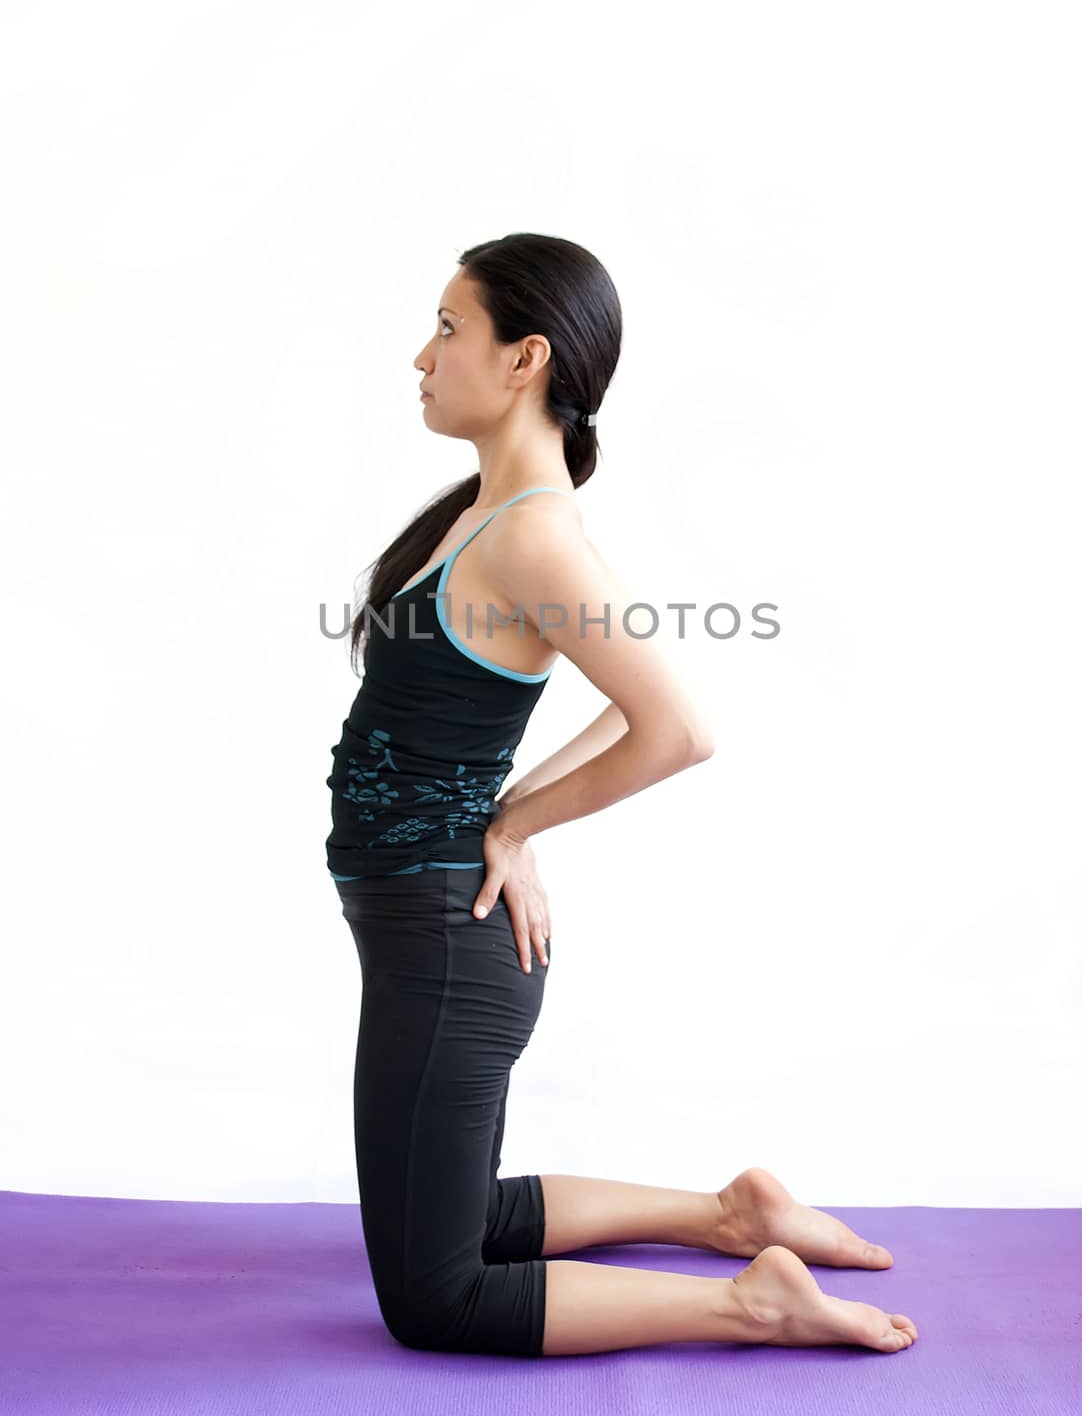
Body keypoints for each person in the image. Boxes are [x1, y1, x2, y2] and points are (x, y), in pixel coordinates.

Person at [325, 232, 919, 1358]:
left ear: (524, 358)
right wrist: (514, 807)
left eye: (448, 328)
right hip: (422, 933)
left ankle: (750, 1300)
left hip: (447, 944)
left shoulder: (534, 534)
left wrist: (519, 818)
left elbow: (674, 725)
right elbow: (623, 699)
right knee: (448, 1218)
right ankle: (727, 1215)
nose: (421, 355)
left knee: (434, 1297)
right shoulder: (491, 518)